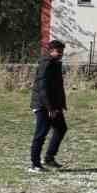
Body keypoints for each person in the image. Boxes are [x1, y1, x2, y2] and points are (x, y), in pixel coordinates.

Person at [28, 39, 68, 172]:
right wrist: (49, 107)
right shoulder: (46, 64)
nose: (61, 53)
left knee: (61, 128)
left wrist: (59, 105)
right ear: (51, 51)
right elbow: (43, 87)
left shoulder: (55, 63)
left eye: (62, 51)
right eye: (59, 51)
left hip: (53, 105)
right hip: (43, 104)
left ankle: (49, 158)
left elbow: (56, 87)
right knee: (41, 133)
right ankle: (34, 164)